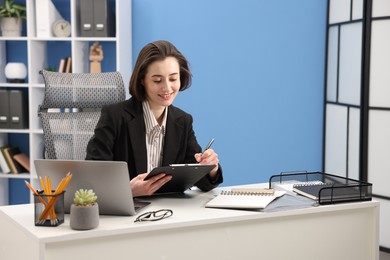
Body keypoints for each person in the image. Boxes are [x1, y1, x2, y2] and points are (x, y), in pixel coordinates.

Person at [86, 40, 223, 197]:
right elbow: (92, 179)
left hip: (168, 215)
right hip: (126, 213)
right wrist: (127, 191)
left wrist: (211, 168)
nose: (167, 88)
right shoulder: (115, 116)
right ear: (142, 80)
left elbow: (201, 181)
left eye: (173, 79)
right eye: (157, 80)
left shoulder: (182, 121)